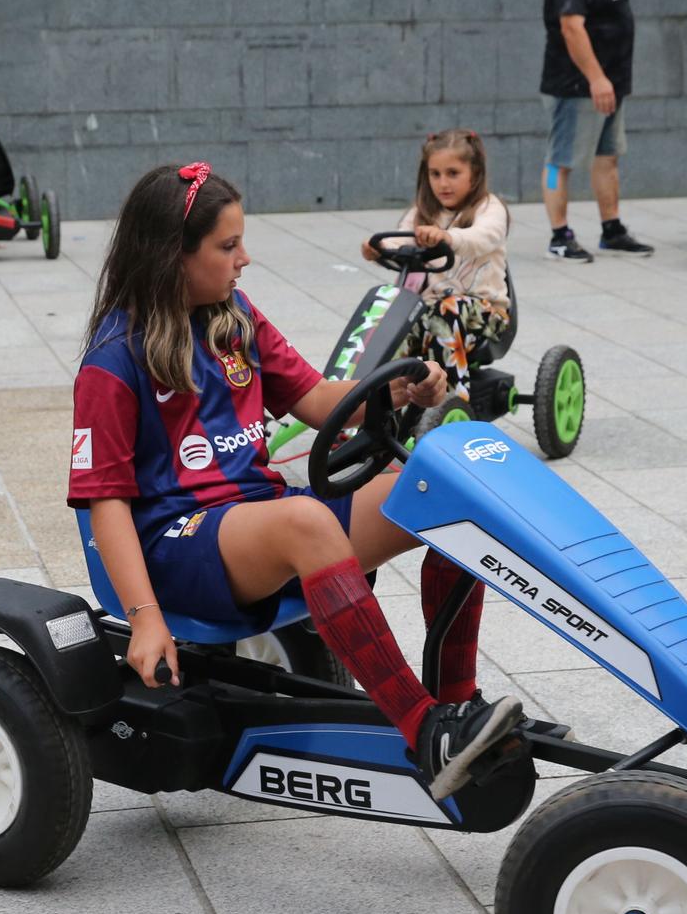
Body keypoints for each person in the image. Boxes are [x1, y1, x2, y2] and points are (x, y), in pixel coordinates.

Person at [71, 162, 527, 798]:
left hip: (254, 519)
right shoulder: (113, 360)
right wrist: (146, 619)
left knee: (445, 493)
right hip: (174, 544)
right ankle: (424, 732)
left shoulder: (235, 318)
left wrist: (398, 386)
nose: (244, 259)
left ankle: (457, 707)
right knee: (307, 520)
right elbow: (105, 505)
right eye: (228, 246)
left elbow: (317, 399)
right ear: (172, 255)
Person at [539, 0, 652, 262]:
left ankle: (612, 229)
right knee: (560, 161)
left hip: (609, 86)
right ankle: (559, 235)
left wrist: (609, 82)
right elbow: (571, 27)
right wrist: (596, 78)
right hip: (577, 86)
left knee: (608, 157)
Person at [361, 128, 510, 406]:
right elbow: (398, 239)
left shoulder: (489, 208)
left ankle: (450, 405)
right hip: (426, 311)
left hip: (484, 313)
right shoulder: (422, 211)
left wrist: (448, 237)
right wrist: (377, 248)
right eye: (435, 174)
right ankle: (375, 409)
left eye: (453, 173)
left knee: (445, 311)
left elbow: (484, 237)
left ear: (475, 173)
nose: (443, 183)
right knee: (387, 326)